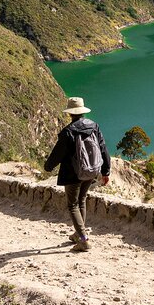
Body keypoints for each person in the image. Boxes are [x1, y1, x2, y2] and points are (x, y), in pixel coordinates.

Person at [44, 97, 110, 252]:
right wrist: (105, 171)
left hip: (73, 173)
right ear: (82, 112)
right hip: (92, 170)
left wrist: (48, 166)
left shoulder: (68, 132)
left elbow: (57, 154)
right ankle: (78, 233)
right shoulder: (94, 126)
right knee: (81, 200)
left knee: (72, 204)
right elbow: (103, 149)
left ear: (70, 114)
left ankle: (83, 240)